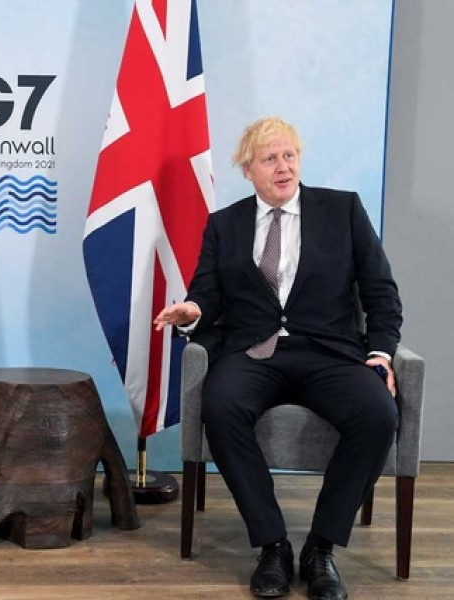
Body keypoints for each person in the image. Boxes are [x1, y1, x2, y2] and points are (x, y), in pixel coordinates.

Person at [155, 117, 401, 600]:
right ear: (248, 170)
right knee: (220, 405)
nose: (283, 167)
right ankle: (272, 546)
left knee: (377, 414)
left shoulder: (343, 210)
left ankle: (321, 549)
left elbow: (381, 291)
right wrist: (193, 310)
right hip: (253, 352)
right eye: (270, 159)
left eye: (289, 155)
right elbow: (207, 293)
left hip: (328, 353)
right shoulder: (225, 224)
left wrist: (380, 351)